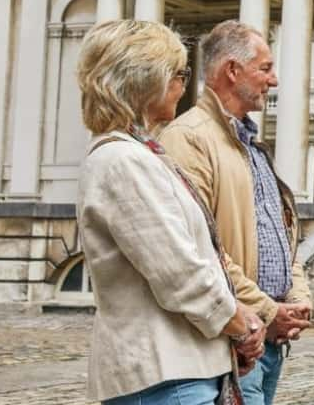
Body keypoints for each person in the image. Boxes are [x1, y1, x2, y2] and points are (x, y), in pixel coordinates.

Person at [75, 20, 265, 405]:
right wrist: (240, 323)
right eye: (179, 74)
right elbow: (179, 272)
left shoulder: (140, 153)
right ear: (146, 81)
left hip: (182, 369)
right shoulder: (122, 161)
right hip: (164, 375)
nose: (184, 86)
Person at [160, 20, 313, 405]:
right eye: (265, 68)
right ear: (232, 70)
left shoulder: (250, 143)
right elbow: (202, 249)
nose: (274, 80)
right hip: (232, 342)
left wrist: (298, 295)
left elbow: (283, 232)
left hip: (267, 339)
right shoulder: (189, 138)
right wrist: (267, 309)